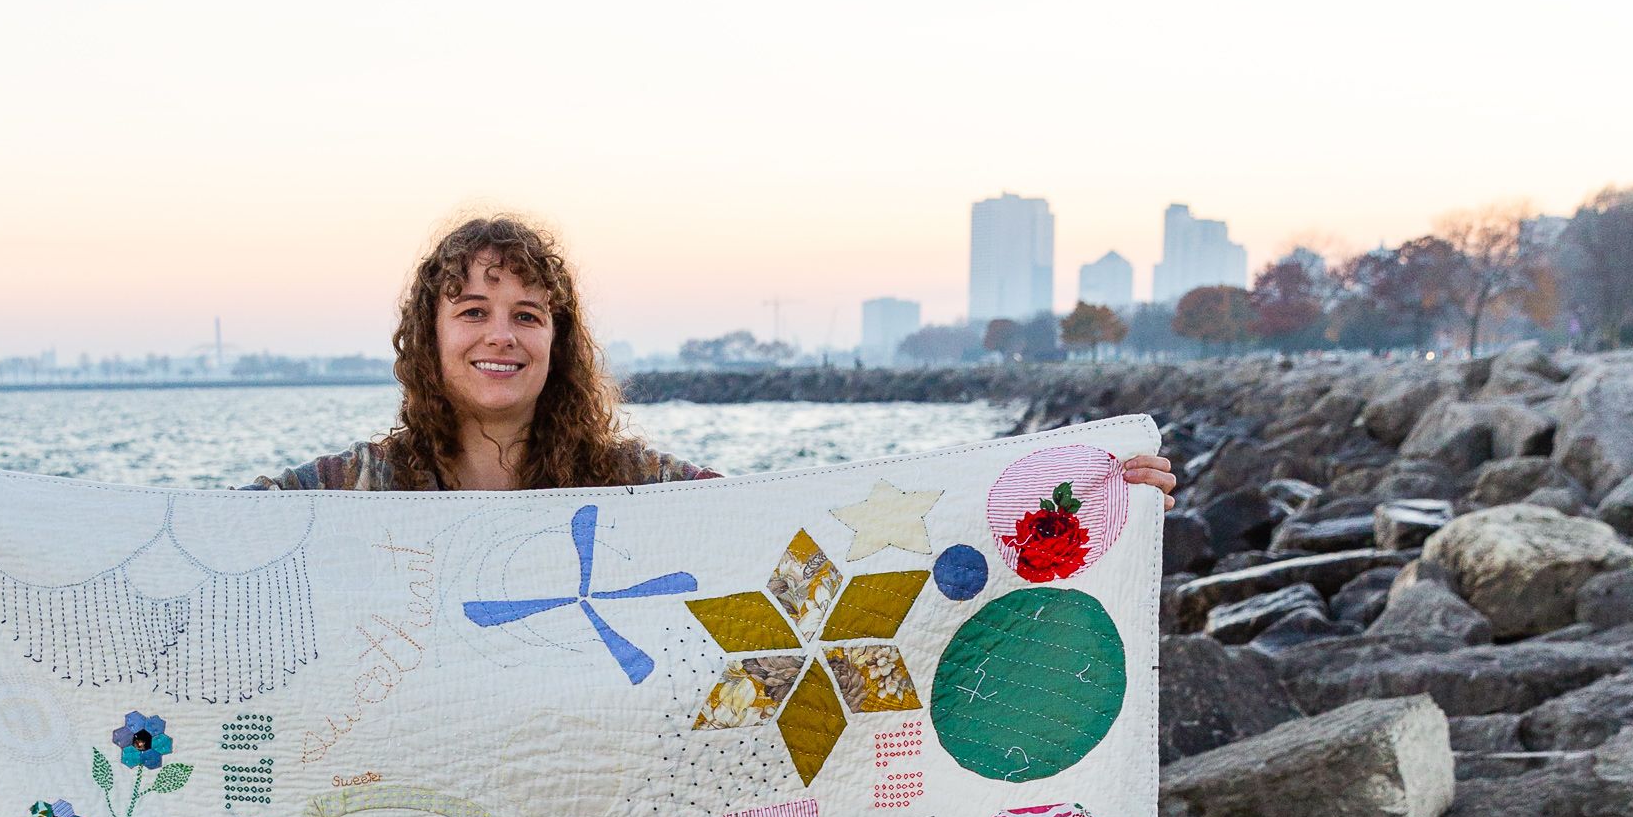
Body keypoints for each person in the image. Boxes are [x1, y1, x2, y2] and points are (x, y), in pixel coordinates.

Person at [250, 209, 1178, 508]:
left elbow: (804, 524)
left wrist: (1063, 493)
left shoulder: (631, 485)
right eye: (474, 310)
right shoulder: (356, 489)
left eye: (529, 314)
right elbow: (191, 549)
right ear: (431, 332)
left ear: (558, 343)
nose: (502, 335)